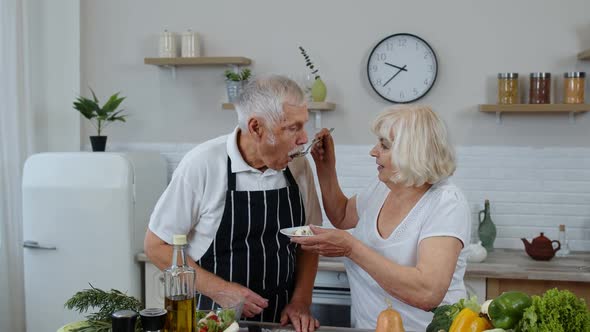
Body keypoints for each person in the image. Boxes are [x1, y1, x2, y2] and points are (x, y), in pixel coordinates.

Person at [145, 75, 322, 332]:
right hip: (212, 319)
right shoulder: (202, 164)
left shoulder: (298, 166)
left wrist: (301, 301)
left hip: (280, 321)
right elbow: (156, 245)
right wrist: (221, 290)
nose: (304, 138)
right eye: (293, 128)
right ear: (257, 128)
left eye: (303, 126)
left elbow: (310, 242)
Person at [291, 105, 471, 331]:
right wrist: (326, 168)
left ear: (411, 151)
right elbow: (343, 214)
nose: (373, 151)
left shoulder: (446, 202)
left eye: (384, 145)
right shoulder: (384, 186)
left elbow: (428, 293)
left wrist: (351, 248)